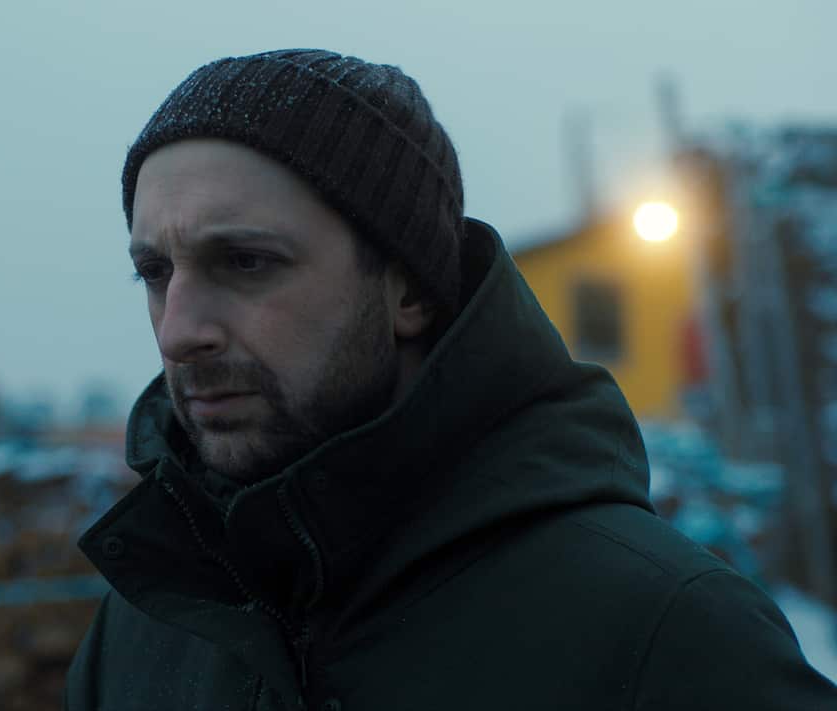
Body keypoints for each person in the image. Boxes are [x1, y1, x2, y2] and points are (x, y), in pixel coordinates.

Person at [64, 48, 837, 710]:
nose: (177, 330)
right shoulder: (148, 628)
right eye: (155, 272)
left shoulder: (668, 635)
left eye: (246, 261)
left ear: (409, 290)